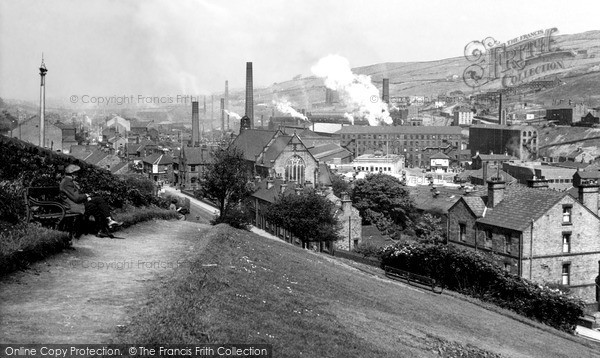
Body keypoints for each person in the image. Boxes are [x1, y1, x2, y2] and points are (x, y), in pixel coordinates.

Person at [59, 164, 123, 238]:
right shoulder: (66, 182)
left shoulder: (69, 181)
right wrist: (86, 196)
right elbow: (76, 198)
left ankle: (109, 220)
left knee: (98, 200)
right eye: (76, 173)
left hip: (77, 204)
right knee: (93, 207)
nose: (77, 175)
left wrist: (86, 197)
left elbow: (76, 196)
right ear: (72, 173)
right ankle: (101, 229)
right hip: (73, 206)